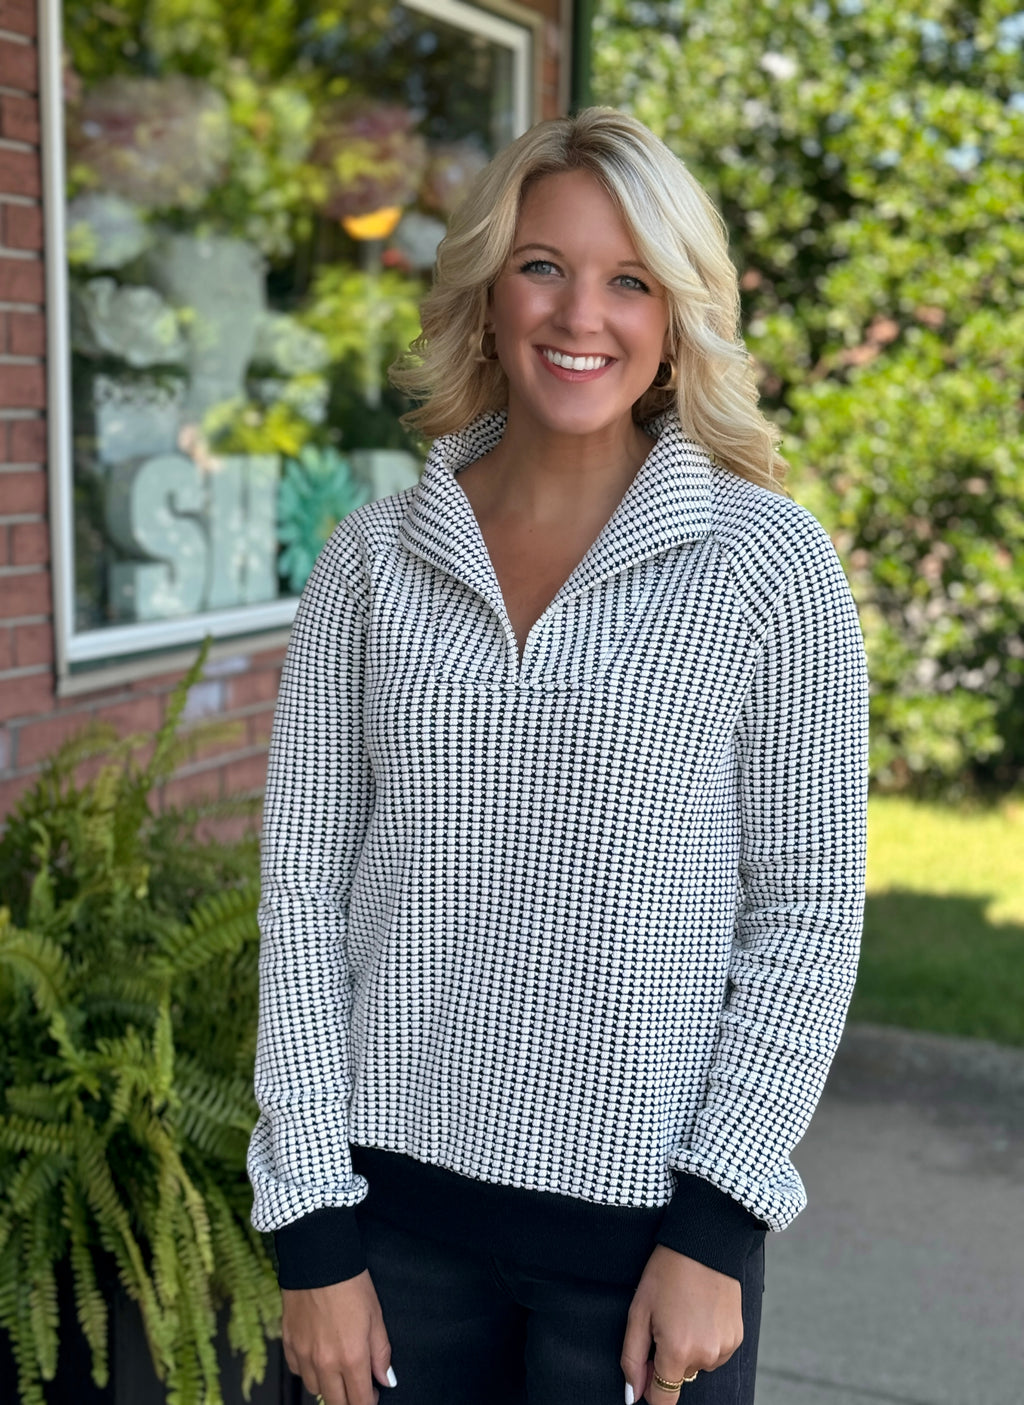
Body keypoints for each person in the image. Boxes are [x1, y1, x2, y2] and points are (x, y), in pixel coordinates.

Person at [247, 107, 869, 1405]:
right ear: (486, 288)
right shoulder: (370, 565)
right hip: (386, 1236)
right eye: (544, 265)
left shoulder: (769, 568)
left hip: (647, 1257)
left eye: (629, 278)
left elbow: (805, 910)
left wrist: (718, 1220)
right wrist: (311, 1229)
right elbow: (300, 895)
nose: (580, 313)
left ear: (678, 312)